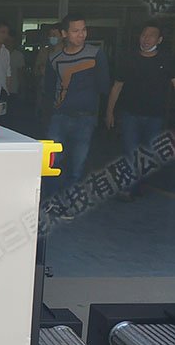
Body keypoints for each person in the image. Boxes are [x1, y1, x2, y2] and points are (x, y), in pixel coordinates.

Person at [45, 13, 110, 207]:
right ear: (64, 33)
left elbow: (104, 86)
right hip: (59, 117)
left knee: (77, 165)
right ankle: (51, 201)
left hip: (85, 118)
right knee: (53, 162)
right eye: (75, 31)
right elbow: (48, 89)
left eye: (83, 30)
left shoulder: (96, 54)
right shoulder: (54, 58)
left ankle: (69, 203)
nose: (81, 34)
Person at [106, 21, 175, 199]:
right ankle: (130, 188)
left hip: (155, 116)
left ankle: (137, 185)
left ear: (159, 40)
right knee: (130, 150)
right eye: (144, 35)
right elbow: (117, 86)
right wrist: (109, 112)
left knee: (147, 153)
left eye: (151, 36)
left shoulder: (167, 60)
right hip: (130, 115)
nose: (146, 39)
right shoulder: (128, 59)